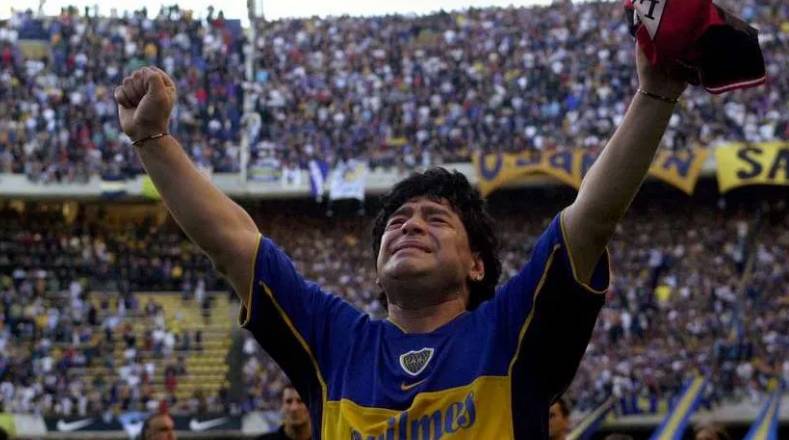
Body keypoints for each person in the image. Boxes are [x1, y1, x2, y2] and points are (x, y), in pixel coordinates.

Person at [115, 37, 688, 437]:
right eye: (397, 221)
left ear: (477, 265)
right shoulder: (334, 342)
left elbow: (590, 219)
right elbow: (233, 244)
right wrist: (152, 139)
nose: (409, 224)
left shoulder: (510, 332)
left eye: (436, 219)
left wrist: (656, 93)